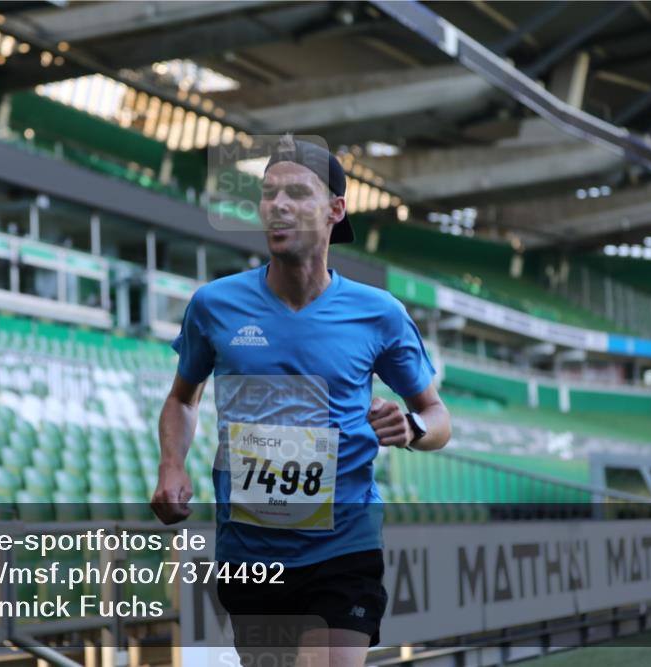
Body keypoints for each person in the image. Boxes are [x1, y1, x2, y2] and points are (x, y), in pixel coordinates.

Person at [152, 136, 451, 667]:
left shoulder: (377, 314)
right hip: (249, 555)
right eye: (269, 194)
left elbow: (437, 416)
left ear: (336, 209)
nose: (279, 206)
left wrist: (411, 426)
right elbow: (182, 399)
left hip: (343, 548)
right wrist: (171, 464)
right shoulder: (215, 305)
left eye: (297, 192)